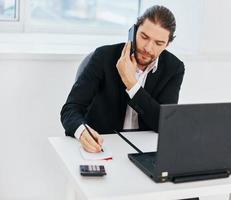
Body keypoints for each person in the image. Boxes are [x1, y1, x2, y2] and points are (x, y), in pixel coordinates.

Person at [60, 5, 185, 153]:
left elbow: (163, 124)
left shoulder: (174, 68)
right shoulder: (103, 57)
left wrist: (131, 84)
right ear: (134, 31)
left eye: (159, 43)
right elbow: (70, 109)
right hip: (103, 146)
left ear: (168, 44)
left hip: (145, 149)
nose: (148, 48)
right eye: (144, 37)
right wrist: (81, 132)